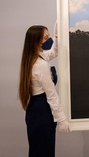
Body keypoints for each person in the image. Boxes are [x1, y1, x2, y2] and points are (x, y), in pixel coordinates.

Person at [18, 23, 70, 157]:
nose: (49, 40)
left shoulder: (35, 57)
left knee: (39, 151)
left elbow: (53, 52)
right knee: (43, 152)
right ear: (37, 41)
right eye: (46, 38)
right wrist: (61, 119)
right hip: (42, 112)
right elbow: (51, 94)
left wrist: (58, 37)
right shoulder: (40, 65)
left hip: (35, 110)